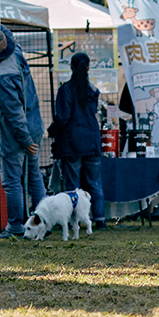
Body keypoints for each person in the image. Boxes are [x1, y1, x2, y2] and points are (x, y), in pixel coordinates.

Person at [0, 25, 44, 238]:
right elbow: (7, 34)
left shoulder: (1, 76)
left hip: (17, 134)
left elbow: (14, 113)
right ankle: (42, 224)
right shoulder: (17, 53)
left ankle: (15, 226)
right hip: (36, 124)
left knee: (12, 180)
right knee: (34, 176)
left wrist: (24, 139)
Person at [53, 52, 106, 228]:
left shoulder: (65, 90)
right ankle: (100, 219)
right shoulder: (93, 91)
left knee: (73, 185)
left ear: (71, 67)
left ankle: (74, 221)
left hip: (72, 143)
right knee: (95, 184)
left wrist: (52, 130)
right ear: (89, 67)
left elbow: (63, 117)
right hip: (92, 141)